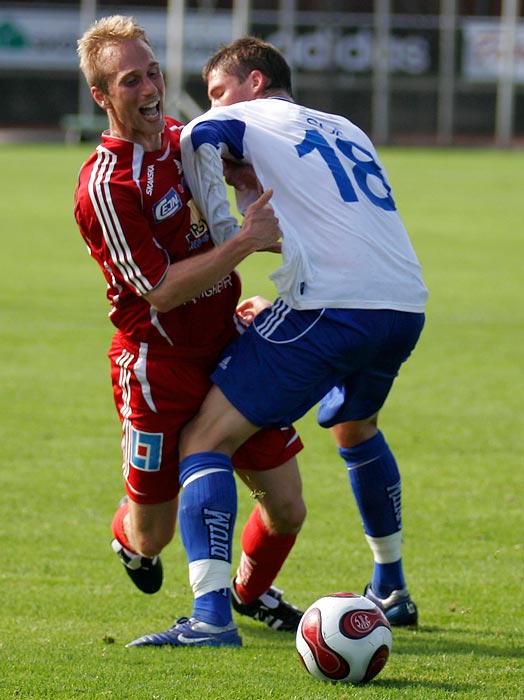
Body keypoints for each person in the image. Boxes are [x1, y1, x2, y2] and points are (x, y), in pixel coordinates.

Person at [174, 37, 428, 636]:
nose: (214, 105)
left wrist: (222, 232)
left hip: (335, 305)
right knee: (355, 426)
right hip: (403, 304)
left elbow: (196, 139)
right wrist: (287, 295)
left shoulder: (244, 116)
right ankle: (390, 585)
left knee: (204, 438)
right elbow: (332, 223)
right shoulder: (344, 127)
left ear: (255, 83)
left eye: (218, 91)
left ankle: (209, 618)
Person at [74, 17, 307, 649]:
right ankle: (128, 537)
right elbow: (161, 289)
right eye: (131, 80)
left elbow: (255, 182)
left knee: (287, 505)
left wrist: (254, 189)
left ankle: (249, 595)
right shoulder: (107, 185)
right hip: (157, 365)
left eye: (153, 71)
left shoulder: (188, 139)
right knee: (154, 534)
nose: (151, 87)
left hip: (229, 348)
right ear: (102, 96)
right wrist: (243, 243)